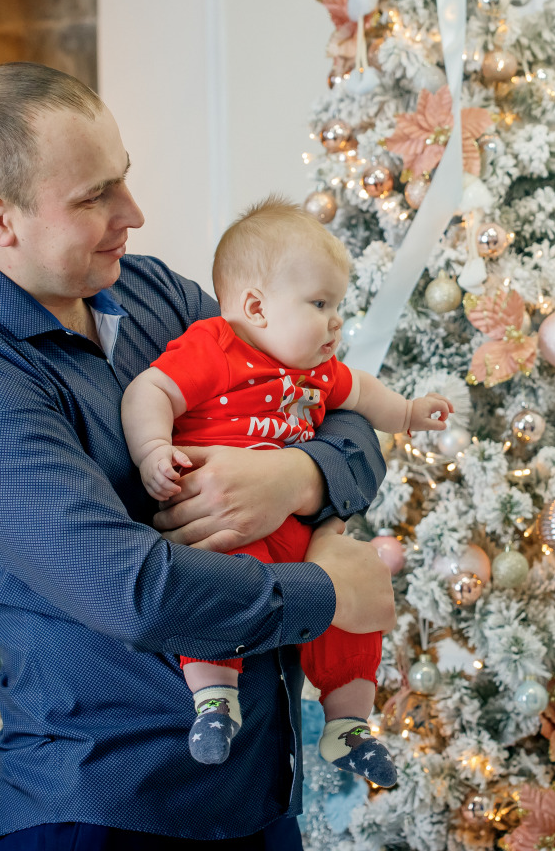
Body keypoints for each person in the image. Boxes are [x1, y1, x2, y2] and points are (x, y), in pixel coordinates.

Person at [0, 62, 397, 850]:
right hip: (103, 809)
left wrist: (293, 478)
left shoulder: (154, 294)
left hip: (259, 794)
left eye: (121, 180)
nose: (134, 212)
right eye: (95, 197)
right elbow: (137, 593)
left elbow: (343, 419)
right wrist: (328, 592)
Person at [121, 196, 453, 775]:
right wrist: (153, 450)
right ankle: (214, 699)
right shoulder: (215, 346)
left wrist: (408, 414)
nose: (336, 322)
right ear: (256, 306)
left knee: (352, 603)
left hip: (297, 527)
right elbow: (149, 391)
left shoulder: (315, 370)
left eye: (338, 306)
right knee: (217, 580)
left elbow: (363, 397)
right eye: (321, 304)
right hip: (223, 523)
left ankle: (347, 725)